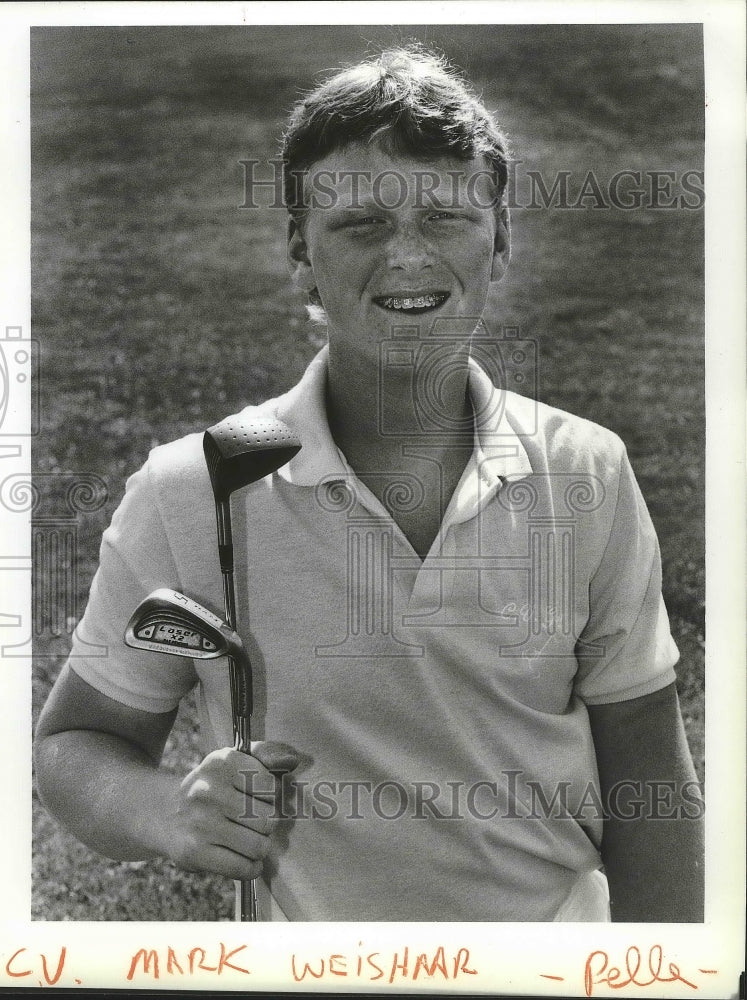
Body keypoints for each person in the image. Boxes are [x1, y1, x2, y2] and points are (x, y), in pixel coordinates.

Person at [34, 46, 703, 922]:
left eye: (446, 216)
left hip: (548, 971)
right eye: (360, 225)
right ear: (300, 254)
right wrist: (161, 810)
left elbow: (647, 780)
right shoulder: (195, 489)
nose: (407, 255)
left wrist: (665, 975)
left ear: (498, 241)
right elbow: (76, 743)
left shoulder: (586, 471)